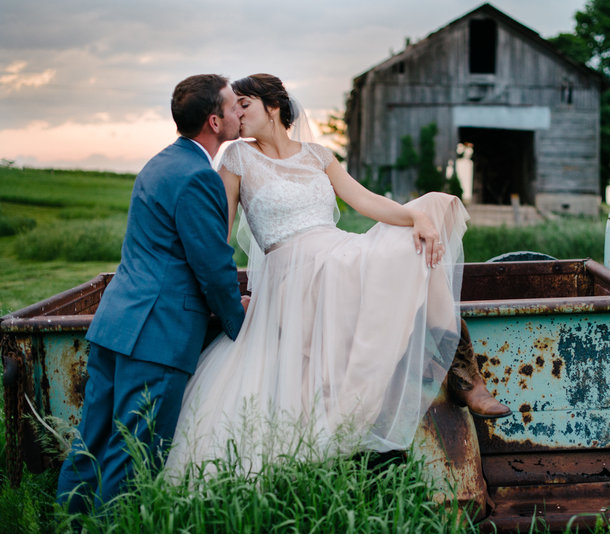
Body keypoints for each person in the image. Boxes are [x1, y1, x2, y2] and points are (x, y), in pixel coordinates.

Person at [165, 73, 509, 475]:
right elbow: (218, 237)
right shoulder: (237, 159)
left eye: (244, 104)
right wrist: (228, 296)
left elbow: (365, 201)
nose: (235, 114)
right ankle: (460, 372)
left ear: (272, 107)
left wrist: (416, 216)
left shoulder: (317, 155)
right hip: (291, 276)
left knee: (431, 212)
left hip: (337, 253)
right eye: (233, 106)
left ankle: (462, 369)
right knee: (414, 245)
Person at [56, 74, 249, 512]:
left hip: (117, 326)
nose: (240, 111)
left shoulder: (159, 162)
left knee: (91, 445)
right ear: (215, 122)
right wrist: (239, 322)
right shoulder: (199, 177)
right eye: (232, 106)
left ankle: (70, 524)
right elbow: (214, 267)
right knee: (135, 457)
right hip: (157, 337)